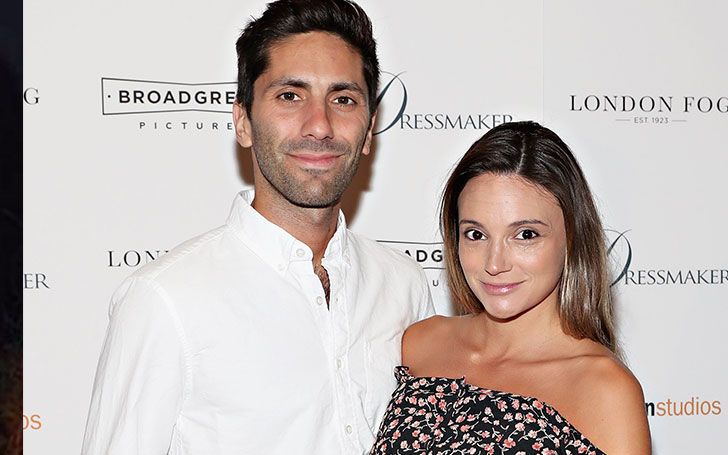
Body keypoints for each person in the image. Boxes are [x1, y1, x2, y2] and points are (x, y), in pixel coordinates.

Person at [81, 1, 434, 454]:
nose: (320, 125)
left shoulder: (404, 285)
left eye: (343, 99)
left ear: (368, 131)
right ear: (243, 122)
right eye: (290, 96)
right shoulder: (165, 300)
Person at [371, 122, 651, 455]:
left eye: (525, 235)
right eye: (476, 234)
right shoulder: (419, 344)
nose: (495, 263)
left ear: (571, 237)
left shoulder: (605, 389)